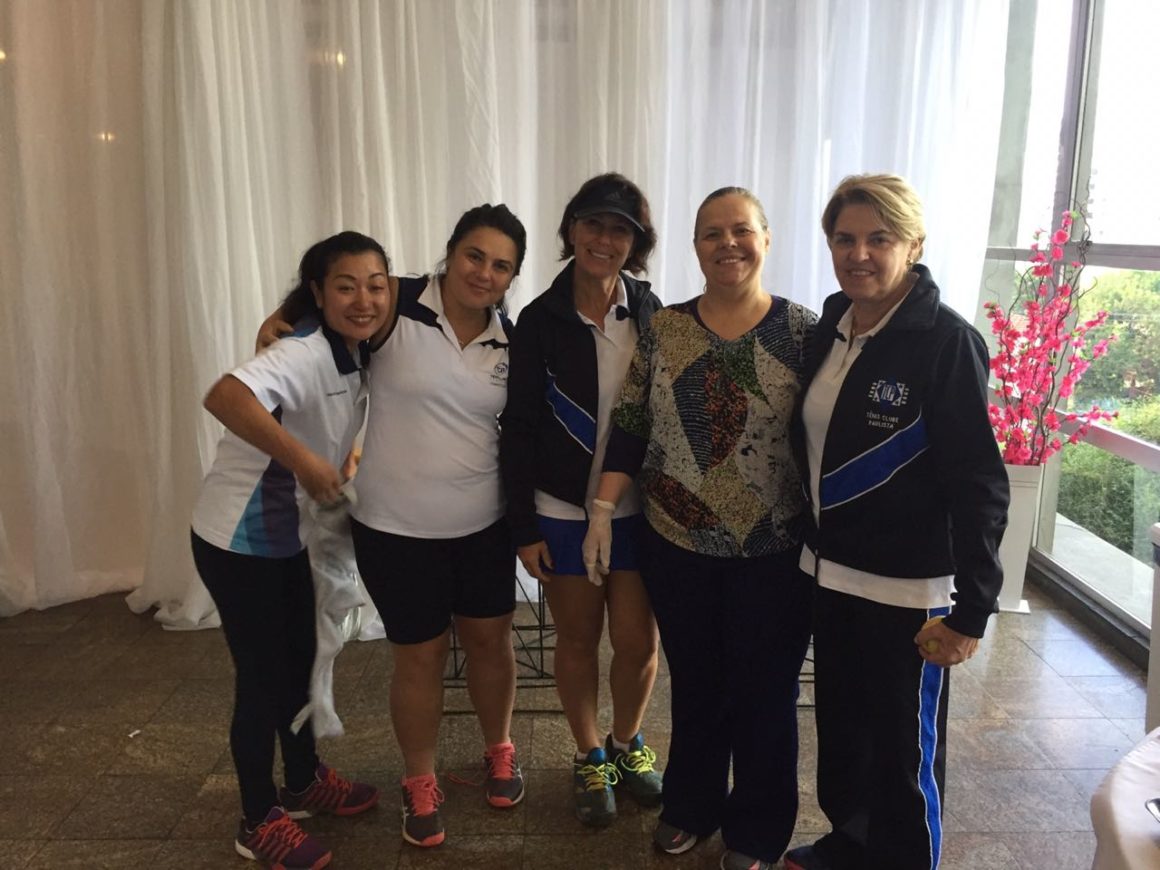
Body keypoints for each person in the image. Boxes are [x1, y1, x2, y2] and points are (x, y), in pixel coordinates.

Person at [262, 205, 530, 848]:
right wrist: (284, 318)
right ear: (451, 252)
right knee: (420, 656)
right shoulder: (397, 304)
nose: (484, 273)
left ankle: (500, 750)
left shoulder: (509, 338)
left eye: (501, 266)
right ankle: (419, 780)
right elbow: (337, 302)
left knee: (491, 644)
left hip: (483, 525)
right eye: (474, 256)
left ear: (511, 276)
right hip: (394, 529)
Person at [784, 174, 1009, 870]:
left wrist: (972, 611)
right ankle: (849, 845)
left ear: (914, 245)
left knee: (904, 755)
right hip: (830, 576)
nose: (859, 254)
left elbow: (979, 481)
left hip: (908, 593)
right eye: (844, 239)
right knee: (844, 737)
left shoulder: (947, 343)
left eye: (879, 239)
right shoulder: (834, 324)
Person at [589, 187, 817, 870]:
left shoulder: (804, 333)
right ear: (695, 247)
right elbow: (632, 421)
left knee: (765, 693)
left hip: (774, 550)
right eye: (712, 233)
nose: (728, 244)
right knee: (696, 685)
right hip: (677, 543)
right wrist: (602, 509)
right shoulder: (665, 329)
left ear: (766, 239)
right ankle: (691, 806)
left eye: (741, 230)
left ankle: (758, 830)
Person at [191, 231, 389, 870]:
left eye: (375, 285)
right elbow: (224, 396)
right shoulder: (302, 350)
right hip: (238, 539)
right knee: (262, 677)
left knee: (301, 656)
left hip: (288, 537)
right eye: (345, 286)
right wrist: (304, 460)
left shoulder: (355, 348)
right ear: (317, 293)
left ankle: (302, 782)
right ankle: (257, 819)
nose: (364, 299)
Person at [500, 173, 664, 827]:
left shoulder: (651, 312)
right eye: (593, 223)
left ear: (635, 244)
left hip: (637, 509)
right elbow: (516, 427)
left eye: (620, 229)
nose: (604, 239)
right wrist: (522, 525)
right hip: (562, 511)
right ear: (571, 229)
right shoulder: (539, 320)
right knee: (576, 637)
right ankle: (589, 752)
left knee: (638, 642)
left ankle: (626, 742)